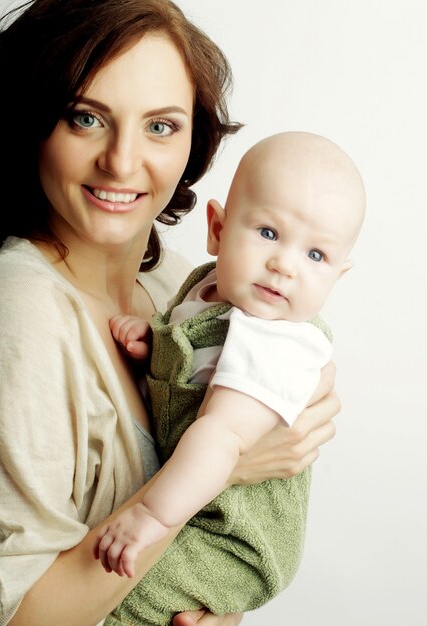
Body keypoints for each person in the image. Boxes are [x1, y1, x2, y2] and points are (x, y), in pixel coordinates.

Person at [0, 0, 339, 624]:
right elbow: (2, 618)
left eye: (160, 126)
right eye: (85, 118)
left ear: (192, 141)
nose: (122, 162)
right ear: (31, 125)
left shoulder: (183, 284)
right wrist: (227, 467)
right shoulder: (14, 312)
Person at [97, 131, 365, 625]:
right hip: (197, 503)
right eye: (268, 232)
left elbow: (221, 436)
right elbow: (197, 342)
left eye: (315, 256)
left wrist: (150, 517)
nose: (284, 264)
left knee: (130, 597)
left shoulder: (276, 340)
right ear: (217, 229)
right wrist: (157, 340)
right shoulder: (211, 286)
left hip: (234, 537)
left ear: (337, 276)